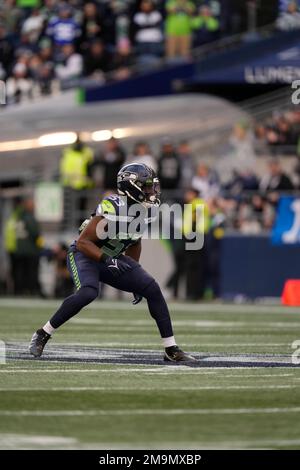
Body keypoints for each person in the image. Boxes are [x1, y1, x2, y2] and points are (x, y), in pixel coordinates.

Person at [29, 163, 195, 363]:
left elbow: (135, 241)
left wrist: (134, 276)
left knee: (151, 288)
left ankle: (171, 349)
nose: (152, 191)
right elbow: (83, 242)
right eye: (147, 186)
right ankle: (43, 333)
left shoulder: (147, 210)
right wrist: (108, 259)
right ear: (131, 187)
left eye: (152, 186)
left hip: (112, 257)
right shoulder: (113, 206)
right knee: (89, 292)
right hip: (85, 255)